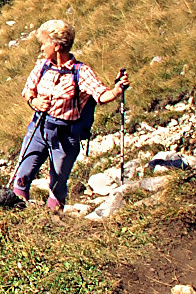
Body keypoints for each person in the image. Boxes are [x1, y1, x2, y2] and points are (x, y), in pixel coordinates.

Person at [12, 19, 130, 211]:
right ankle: (14, 217)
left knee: (58, 183)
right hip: (38, 129)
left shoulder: (81, 72)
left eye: (45, 43)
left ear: (57, 46)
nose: (42, 48)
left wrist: (116, 91)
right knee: (23, 174)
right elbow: (28, 91)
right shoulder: (42, 66)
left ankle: (52, 221)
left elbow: (100, 94)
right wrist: (35, 102)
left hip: (65, 135)